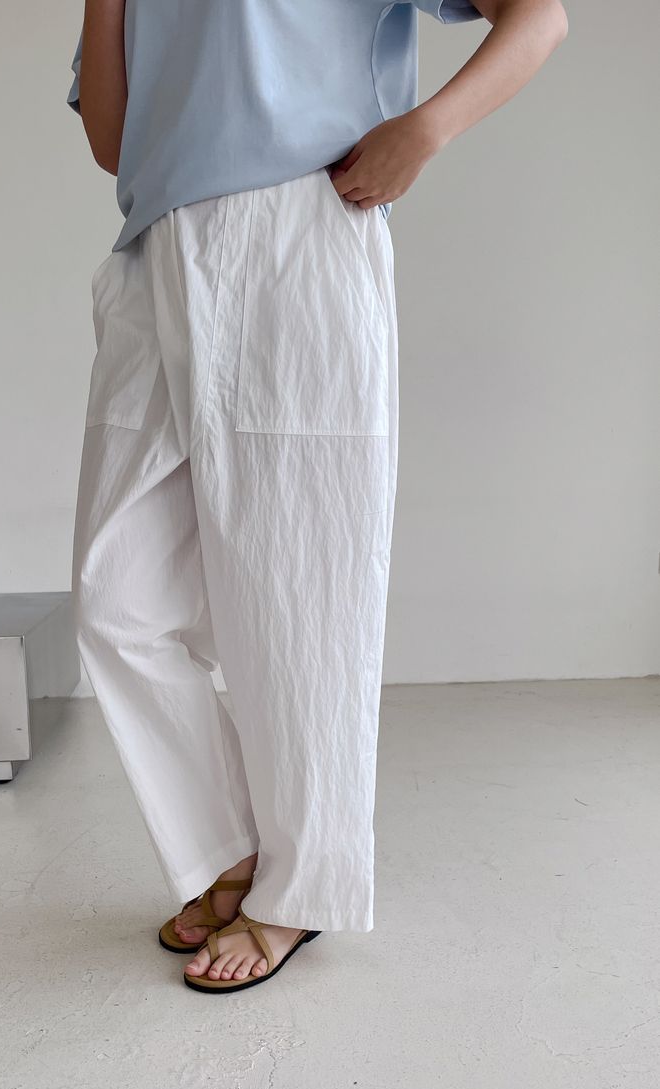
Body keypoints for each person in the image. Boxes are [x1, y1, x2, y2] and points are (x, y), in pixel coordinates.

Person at [67, 0, 568, 995]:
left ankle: (302, 886)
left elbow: (538, 18)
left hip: (293, 229)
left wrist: (422, 130)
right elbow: (116, 143)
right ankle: (231, 847)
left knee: (299, 589)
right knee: (113, 598)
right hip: (155, 248)